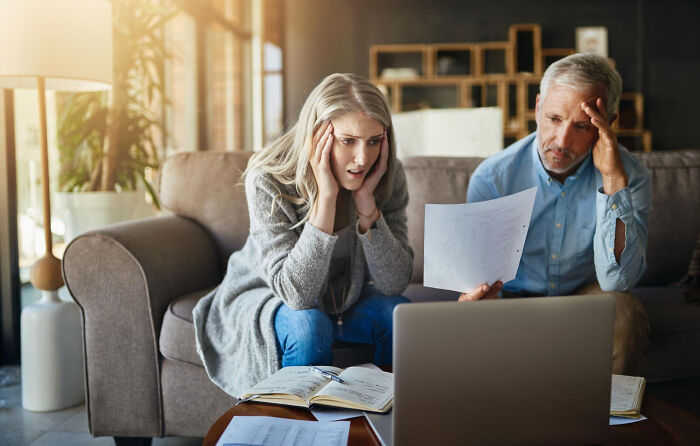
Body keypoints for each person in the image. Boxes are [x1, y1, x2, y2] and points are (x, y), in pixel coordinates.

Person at [193, 73, 413, 397]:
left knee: (400, 317)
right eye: (347, 140)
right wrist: (326, 199)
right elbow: (296, 295)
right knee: (309, 327)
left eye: (374, 141)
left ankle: (382, 422)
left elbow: (394, 283)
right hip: (270, 294)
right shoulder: (269, 176)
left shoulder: (386, 176)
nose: (363, 158)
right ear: (317, 136)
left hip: (343, 298)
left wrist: (367, 208)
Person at [461, 53, 652, 375]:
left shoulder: (630, 176)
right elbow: (477, 277)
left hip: (587, 297)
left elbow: (618, 280)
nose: (562, 141)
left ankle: (612, 422)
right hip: (512, 299)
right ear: (537, 107)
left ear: (608, 124)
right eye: (553, 119)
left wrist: (613, 181)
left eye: (581, 126)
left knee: (625, 310)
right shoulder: (493, 178)